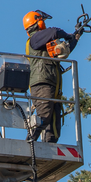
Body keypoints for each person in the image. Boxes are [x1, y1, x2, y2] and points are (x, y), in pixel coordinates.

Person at [23, 10, 79, 143]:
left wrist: (76, 37)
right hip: (42, 84)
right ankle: (30, 142)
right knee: (44, 116)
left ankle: (48, 148)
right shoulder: (35, 39)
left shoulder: (43, 43)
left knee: (54, 127)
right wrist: (67, 35)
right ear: (37, 23)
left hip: (52, 86)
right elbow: (54, 31)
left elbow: (65, 50)